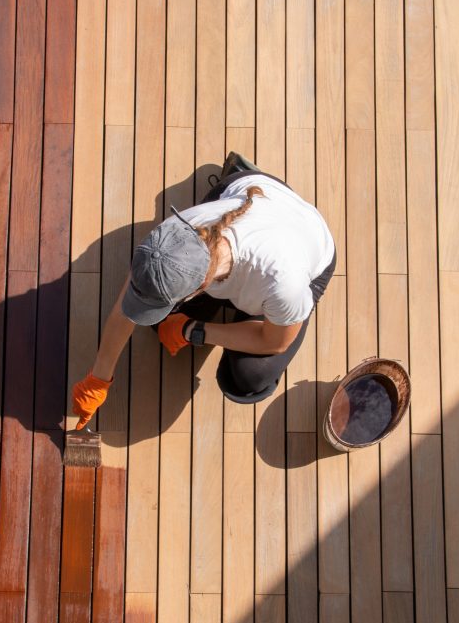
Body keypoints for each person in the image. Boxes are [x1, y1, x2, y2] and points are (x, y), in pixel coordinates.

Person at [71, 152, 337, 429]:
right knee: (155, 319)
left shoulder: (284, 284)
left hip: (305, 250)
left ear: (199, 287)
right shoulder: (176, 234)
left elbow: (275, 342)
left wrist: (192, 329)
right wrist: (99, 377)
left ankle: (246, 309)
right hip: (249, 190)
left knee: (248, 378)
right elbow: (133, 296)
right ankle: (246, 177)